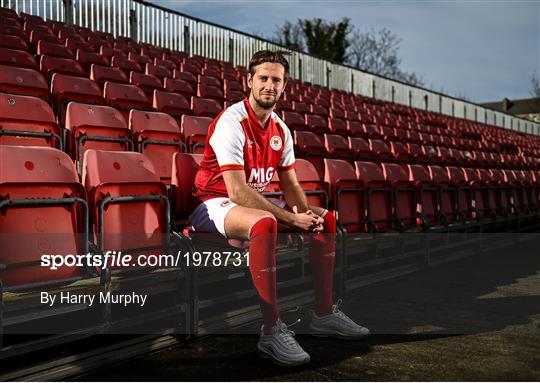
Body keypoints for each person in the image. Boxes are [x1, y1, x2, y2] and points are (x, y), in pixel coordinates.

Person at [189, 50, 370, 366]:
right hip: (213, 204)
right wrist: (291, 218)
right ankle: (272, 330)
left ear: (284, 86)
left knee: (325, 219)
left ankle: (324, 314)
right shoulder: (231, 122)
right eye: (263, 78)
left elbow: (291, 187)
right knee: (265, 223)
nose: (269, 85)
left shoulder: (281, 130)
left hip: (249, 206)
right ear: (249, 81)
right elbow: (236, 190)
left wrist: (306, 216)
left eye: (276, 80)